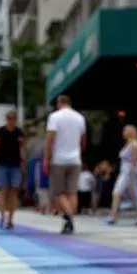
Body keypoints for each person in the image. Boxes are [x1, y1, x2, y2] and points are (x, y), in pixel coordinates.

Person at [44, 95, 88, 234]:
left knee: (59, 193)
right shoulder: (80, 118)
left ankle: (68, 217)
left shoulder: (54, 117)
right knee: (72, 192)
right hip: (75, 159)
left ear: (59, 103)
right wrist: (77, 151)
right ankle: (69, 220)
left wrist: (46, 158)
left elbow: (49, 140)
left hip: (58, 160)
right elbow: (83, 141)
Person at [0, 110, 25, 229]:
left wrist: (23, 160)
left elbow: (22, 147)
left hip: (15, 164)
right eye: (9, 118)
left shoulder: (19, 132)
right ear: (6, 119)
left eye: (13, 118)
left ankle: (10, 218)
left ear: (15, 120)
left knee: (13, 191)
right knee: (3, 190)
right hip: (2, 164)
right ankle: (2, 215)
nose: (11, 121)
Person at [106, 124, 137, 226]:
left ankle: (113, 216)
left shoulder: (135, 145)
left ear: (131, 132)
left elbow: (135, 160)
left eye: (125, 130)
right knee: (134, 195)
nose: (123, 132)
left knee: (117, 192)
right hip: (125, 170)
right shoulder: (128, 144)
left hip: (128, 172)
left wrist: (134, 174)